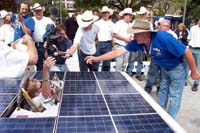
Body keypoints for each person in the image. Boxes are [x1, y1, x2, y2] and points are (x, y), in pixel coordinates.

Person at [85, 19, 200, 118]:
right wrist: (97, 58)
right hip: (165, 69)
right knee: (163, 91)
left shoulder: (163, 38)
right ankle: (159, 117)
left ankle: (170, 122)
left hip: (177, 69)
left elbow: (186, 51)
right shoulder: (139, 42)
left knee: (175, 95)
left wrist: (194, 71)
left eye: (136, 34)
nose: (133, 36)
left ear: (145, 33)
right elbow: (119, 52)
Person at [31, 3, 55, 71]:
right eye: (36, 11)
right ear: (33, 12)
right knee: (35, 64)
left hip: (45, 45)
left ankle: (45, 80)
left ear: (42, 11)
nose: (38, 12)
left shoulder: (48, 20)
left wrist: (48, 42)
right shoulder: (31, 20)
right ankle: (37, 80)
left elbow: (53, 32)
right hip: (33, 45)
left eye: (39, 10)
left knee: (46, 64)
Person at [95, 6, 114, 71]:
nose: (105, 14)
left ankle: (105, 78)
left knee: (107, 63)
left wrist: (113, 46)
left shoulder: (112, 24)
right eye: (103, 13)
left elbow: (113, 35)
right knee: (96, 61)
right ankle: (94, 76)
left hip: (108, 44)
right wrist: (96, 41)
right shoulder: (97, 23)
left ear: (109, 14)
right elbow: (95, 33)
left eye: (106, 12)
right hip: (99, 43)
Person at [188, 19, 200, 91]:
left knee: (198, 67)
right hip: (191, 47)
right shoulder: (193, 28)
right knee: (186, 65)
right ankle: (184, 80)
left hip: (199, 49)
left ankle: (196, 83)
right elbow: (189, 38)